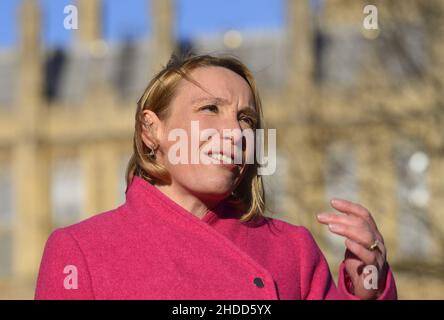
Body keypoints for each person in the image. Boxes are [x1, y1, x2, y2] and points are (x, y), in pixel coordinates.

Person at [35, 54, 397, 300]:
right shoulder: (81, 251)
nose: (235, 132)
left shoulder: (293, 250)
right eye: (210, 109)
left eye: (246, 119)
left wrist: (368, 283)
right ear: (151, 130)